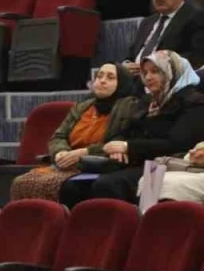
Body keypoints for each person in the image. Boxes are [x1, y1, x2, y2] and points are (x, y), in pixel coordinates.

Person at [60, 51, 204, 206]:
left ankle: (127, 222)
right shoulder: (148, 101)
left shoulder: (194, 103)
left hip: (167, 164)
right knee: (73, 186)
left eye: (155, 71)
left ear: (173, 72)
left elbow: (176, 144)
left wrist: (128, 147)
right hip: (135, 161)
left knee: (107, 185)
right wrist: (119, 147)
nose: (148, 77)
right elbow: (126, 130)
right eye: (145, 73)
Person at [9, 64, 139, 201]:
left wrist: (83, 153)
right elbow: (59, 136)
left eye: (110, 78)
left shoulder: (129, 108)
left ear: (122, 83)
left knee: (65, 186)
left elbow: (119, 143)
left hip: (96, 165)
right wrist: (61, 152)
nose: (102, 81)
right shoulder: (82, 107)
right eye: (99, 76)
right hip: (68, 163)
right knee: (21, 182)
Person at [123, 0, 204, 72]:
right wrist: (125, 65)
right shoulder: (147, 22)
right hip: (136, 76)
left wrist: (155, 66)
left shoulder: (196, 17)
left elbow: (197, 56)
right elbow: (131, 55)